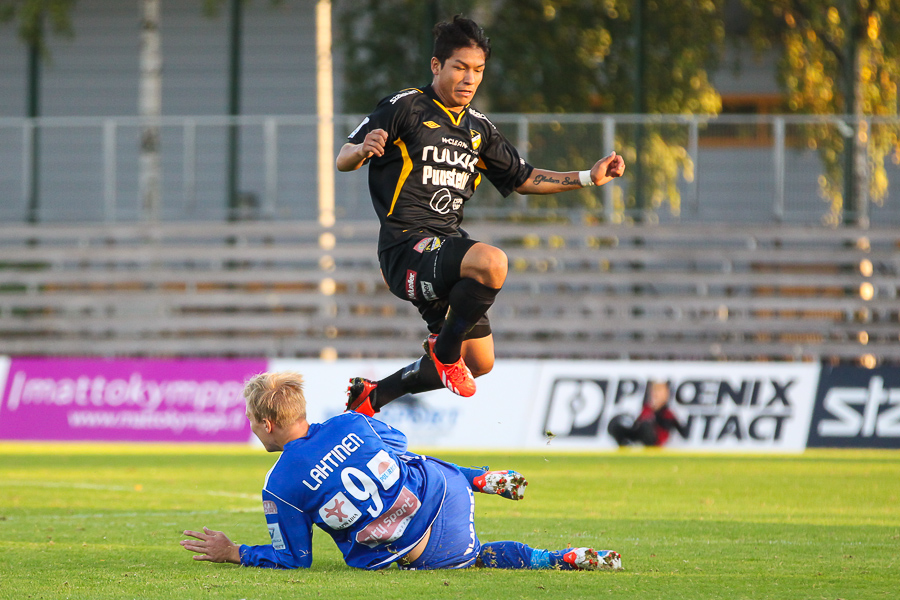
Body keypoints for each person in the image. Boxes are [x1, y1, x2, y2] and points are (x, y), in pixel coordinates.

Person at [336, 15, 626, 414]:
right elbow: (343, 158)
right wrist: (363, 148)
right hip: (406, 246)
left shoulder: (479, 129)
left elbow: (523, 177)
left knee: (481, 363)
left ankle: (375, 395)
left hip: (445, 246)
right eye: (460, 67)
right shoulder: (405, 106)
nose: (469, 78)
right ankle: (446, 350)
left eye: (478, 70)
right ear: (437, 66)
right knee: (492, 262)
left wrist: (587, 178)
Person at [180, 371, 622, 571]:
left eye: (251, 420)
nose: (252, 427)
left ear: (267, 424)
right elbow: (401, 446)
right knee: (406, 462)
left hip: (421, 550)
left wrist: (236, 552)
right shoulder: (350, 422)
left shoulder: (279, 486)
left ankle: (551, 559)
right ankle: (478, 478)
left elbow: (297, 560)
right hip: (445, 490)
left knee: (476, 559)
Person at [607, 381, 687, 447]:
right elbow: (637, 424)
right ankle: (624, 447)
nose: (655, 394)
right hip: (641, 434)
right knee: (617, 427)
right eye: (654, 391)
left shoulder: (667, 413)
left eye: (659, 391)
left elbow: (682, 431)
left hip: (655, 441)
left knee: (646, 426)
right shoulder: (647, 409)